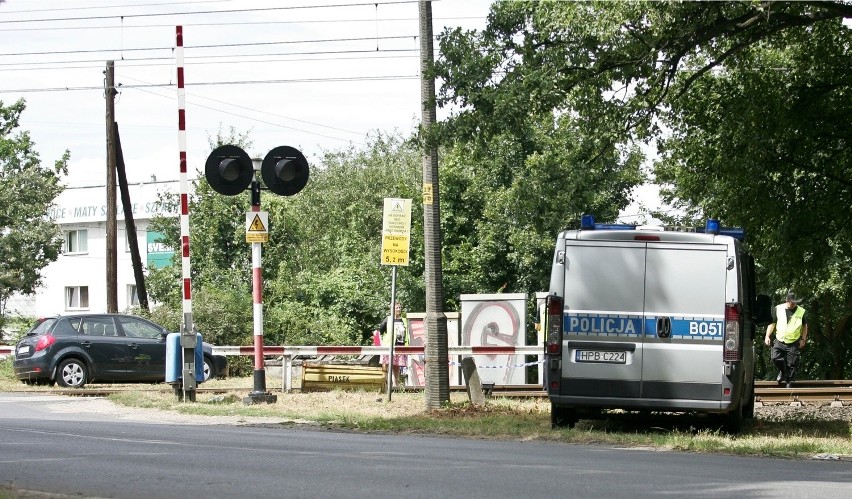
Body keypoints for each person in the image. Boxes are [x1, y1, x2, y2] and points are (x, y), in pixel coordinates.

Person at [764, 291, 808, 388]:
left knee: (792, 363)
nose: (793, 305)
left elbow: (805, 326)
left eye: (795, 303)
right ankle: (783, 371)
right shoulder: (778, 309)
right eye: (792, 303)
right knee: (775, 358)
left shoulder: (801, 311)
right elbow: (772, 324)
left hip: (794, 341)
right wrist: (767, 336)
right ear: (786, 301)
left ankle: (789, 382)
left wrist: (803, 339)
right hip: (780, 339)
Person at [379, 302, 409, 386]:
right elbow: (380, 331)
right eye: (397, 308)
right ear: (392, 309)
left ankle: (396, 385)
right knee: (389, 367)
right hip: (389, 346)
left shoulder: (404, 320)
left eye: (399, 307)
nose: (399, 309)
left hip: (400, 346)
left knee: (397, 367)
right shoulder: (388, 319)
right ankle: (389, 385)